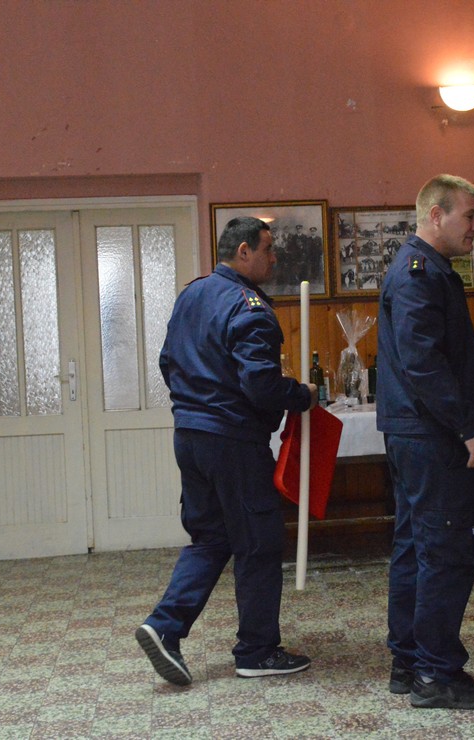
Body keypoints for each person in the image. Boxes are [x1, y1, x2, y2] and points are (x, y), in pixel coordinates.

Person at [135, 216, 318, 685]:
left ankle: (164, 627)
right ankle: (257, 651)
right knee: (258, 543)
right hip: (234, 441)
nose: (274, 258)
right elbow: (260, 384)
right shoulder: (249, 306)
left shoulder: (191, 295)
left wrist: (196, 404)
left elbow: (167, 362)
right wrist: (300, 395)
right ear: (243, 251)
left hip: (190, 436)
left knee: (211, 538)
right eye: (267, 249)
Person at [377, 174, 474, 709]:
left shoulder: (426, 270)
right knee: (444, 553)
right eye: (469, 216)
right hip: (433, 436)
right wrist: (469, 426)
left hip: (420, 433)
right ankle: (435, 674)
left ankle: (410, 661)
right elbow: (423, 363)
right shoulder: (418, 275)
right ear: (435, 215)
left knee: (416, 548)